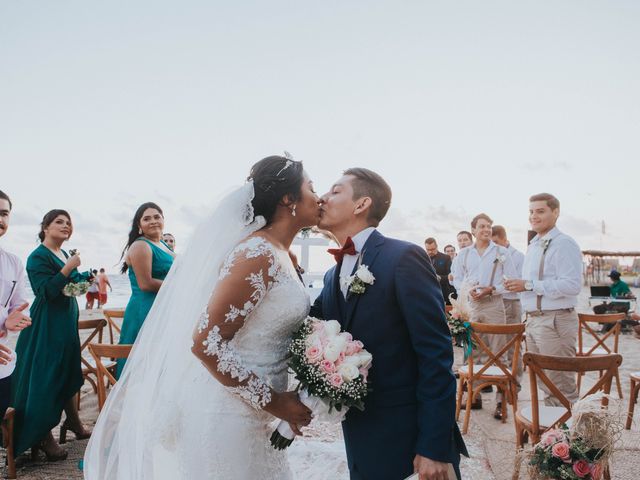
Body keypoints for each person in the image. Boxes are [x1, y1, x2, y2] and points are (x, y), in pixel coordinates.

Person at [85, 155, 320, 479]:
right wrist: (275, 402)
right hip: (228, 414)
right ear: (287, 198)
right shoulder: (256, 254)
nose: (318, 197)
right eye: (312, 187)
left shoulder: (280, 253)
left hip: (257, 416)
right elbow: (205, 342)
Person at [312, 168, 467, 480]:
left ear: (361, 204)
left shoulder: (403, 257)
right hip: (361, 436)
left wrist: (433, 445)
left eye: (335, 191)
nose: (322, 198)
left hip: (409, 438)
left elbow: (436, 354)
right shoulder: (331, 276)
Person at [12, 209, 92, 461]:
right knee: (46, 376)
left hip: (66, 320)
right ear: (45, 227)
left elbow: (69, 288)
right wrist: (68, 268)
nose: (66, 226)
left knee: (68, 370)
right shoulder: (37, 257)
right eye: (59, 222)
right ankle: (42, 435)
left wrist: (84, 278)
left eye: (69, 222)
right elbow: (45, 291)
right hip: (47, 323)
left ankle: (74, 423)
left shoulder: (65, 253)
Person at [505, 193, 583, 407]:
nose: (533, 216)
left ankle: (571, 438)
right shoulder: (534, 245)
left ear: (555, 212)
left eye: (540, 211)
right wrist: (518, 286)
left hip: (555, 321)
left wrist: (529, 285)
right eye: (531, 212)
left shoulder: (564, 244)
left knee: (560, 385)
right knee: (545, 384)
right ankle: (554, 437)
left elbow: (572, 285)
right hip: (534, 320)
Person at [450, 214, 517, 415]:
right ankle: (474, 397)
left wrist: (492, 289)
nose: (486, 229)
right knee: (473, 350)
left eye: (488, 226)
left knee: (498, 350)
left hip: (494, 304)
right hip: (471, 305)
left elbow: (511, 280)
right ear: (473, 230)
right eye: (482, 226)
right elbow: (457, 278)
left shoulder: (501, 252)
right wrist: (467, 289)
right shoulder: (464, 254)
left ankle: (500, 402)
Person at [116, 202, 175, 375]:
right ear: (139, 225)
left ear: (163, 219)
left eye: (157, 217)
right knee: (144, 364)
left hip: (163, 306)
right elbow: (146, 283)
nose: (153, 221)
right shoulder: (141, 245)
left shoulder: (163, 245)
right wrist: (179, 286)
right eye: (147, 218)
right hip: (146, 309)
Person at [0, 190, 32, 419]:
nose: (0, 219)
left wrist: (16, 319)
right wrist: (4, 319)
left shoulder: (13, 263)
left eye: (4, 214)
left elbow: (19, 306)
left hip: (3, 363)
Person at [491, 224, 525, 419]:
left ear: (504, 239)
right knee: (495, 351)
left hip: (511, 306)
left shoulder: (518, 257)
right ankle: (498, 392)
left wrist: (494, 288)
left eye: (496, 242)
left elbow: (516, 285)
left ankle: (510, 393)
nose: (493, 246)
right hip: (494, 305)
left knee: (512, 351)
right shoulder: (490, 254)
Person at [424, 237, 454, 305]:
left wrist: (437, 277)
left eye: (432, 249)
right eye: (428, 250)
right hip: (428, 293)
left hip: (443, 292)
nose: (430, 252)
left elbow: (450, 276)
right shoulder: (423, 258)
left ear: (437, 246)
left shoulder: (446, 257)